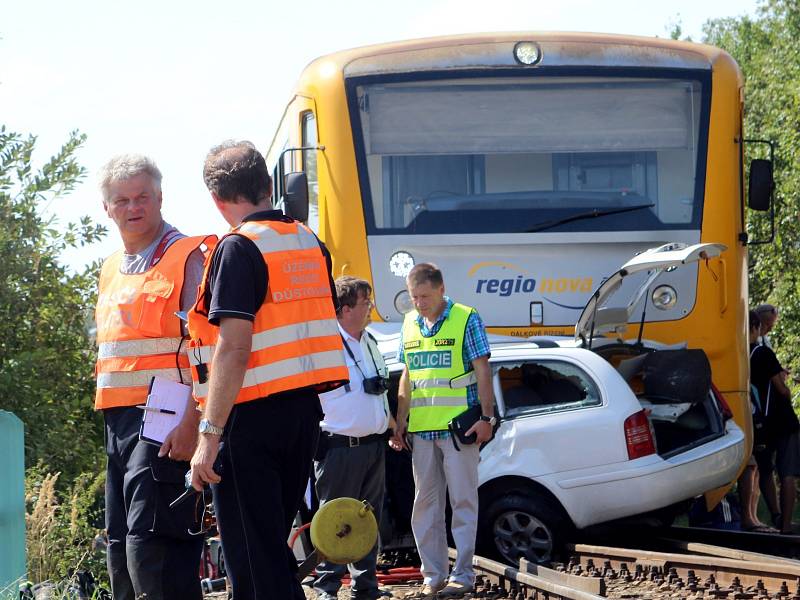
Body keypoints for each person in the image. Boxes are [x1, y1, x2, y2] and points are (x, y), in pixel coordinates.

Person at [187, 140, 349, 600]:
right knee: (270, 554)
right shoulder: (309, 243)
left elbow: (234, 349)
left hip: (250, 419)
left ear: (218, 199)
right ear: (268, 184)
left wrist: (209, 434)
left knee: (254, 565)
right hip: (302, 414)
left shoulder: (239, 248)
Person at [94, 154, 212, 600]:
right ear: (107, 208)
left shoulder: (186, 256)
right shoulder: (110, 268)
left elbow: (207, 350)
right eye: (121, 200)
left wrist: (193, 421)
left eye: (142, 196)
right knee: (122, 545)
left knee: (154, 547)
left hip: (165, 416)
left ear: (160, 197)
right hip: (118, 422)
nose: (133, 206)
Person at [391, 263, 495, 599]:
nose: (418, 303)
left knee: (463, 502)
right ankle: (433, 576)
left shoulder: (465, 317)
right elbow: (407, 376)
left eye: (423, 296)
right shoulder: (409, 323)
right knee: (425, 506)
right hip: (422, 431)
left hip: (458, 429)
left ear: (440, 289)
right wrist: (401, 419)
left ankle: (463, 575)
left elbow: (483, 371)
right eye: (413, 297)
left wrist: (488, 418)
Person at [313, 276, 396, 600]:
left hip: (372, 446)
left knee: (367, 520)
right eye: (365, 303)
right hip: (338, 447)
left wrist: (390, 425)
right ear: (346, 309)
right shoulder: (326, 345)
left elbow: (377, 388)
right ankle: (327, 588)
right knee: (333, 519)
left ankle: (366, 587)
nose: (370, 308)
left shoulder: (369, 340)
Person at [750, 304, 800, 534]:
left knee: (765, 469)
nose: (769, 329)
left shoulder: (744, 354)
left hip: (761, 422)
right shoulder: (765, 352)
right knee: (787, 473)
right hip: (782, 421)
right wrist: (786, 386)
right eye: (767, 325)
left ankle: (776, 515)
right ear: (757, 325)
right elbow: (781, 390)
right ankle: (787, 524)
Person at [738, 311, 776, 532]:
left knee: (756, 466)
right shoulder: (749, 350)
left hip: (751, 409)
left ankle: (752, 516)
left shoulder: (745, 350)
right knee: (751, 465)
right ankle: (748, 517)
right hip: (750, 411)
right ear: (753, 327)